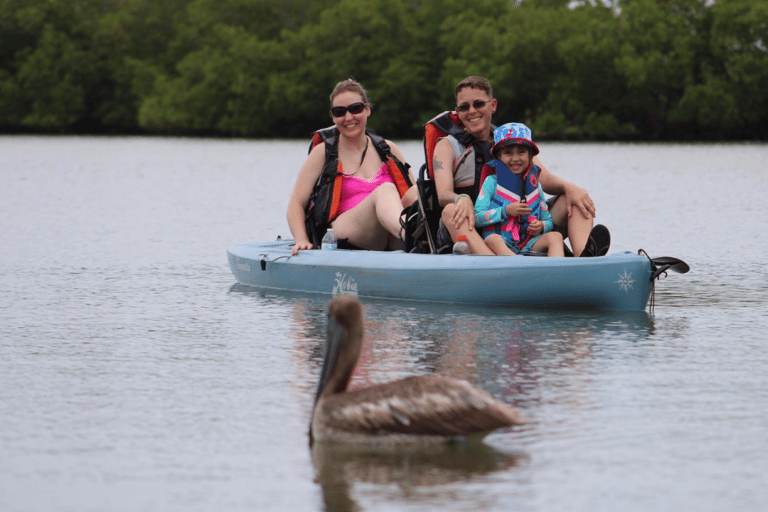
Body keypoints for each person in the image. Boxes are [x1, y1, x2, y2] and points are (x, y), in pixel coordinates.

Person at [432, 76, 606, 256]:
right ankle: (496, 264)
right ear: (457, 112)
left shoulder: (512, 142)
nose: (472, 111)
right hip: (473, 230)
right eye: (464, 107)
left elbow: (544, 179)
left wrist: (571, 188)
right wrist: (462, 198)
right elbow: (443, 194)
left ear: (493, 105)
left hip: (520, 231)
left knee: (576, 198)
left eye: (478, 104)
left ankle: (585, 260)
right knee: (450, 210)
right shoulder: (447, 146)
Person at [287, 79, 416, 255]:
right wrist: (301, 240)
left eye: (355, 109)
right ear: (333, 117)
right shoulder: (322, 152)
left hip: (390, 235)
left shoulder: (387, 149)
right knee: (384, 189)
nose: (348, 117)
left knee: (418, 193)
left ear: (367, 109)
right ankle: (411, 235)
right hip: (346, 233)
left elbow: (413, 195)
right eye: (339, 112)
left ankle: (432, 240)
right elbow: (296, 204)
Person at [474, 122, 564, 257]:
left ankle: (560, 272)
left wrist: (540, 226)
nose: (515, 158)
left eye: (521, 152)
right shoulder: (491, 182)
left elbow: (548, 221)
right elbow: (477, 217)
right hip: (501, 241)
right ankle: (516, 266)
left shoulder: (536, 187)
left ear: (530, 155)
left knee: (555, 237)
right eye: (508, 153)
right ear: (499, 156)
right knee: (493, 239)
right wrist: (505, 211)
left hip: (527, 243)